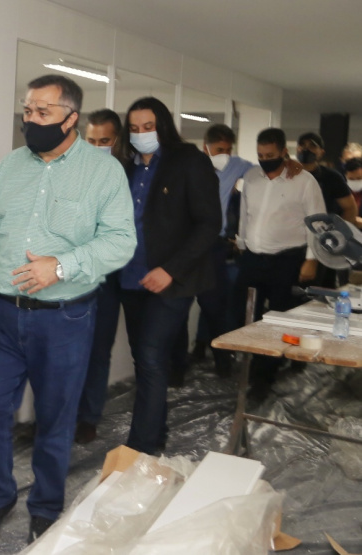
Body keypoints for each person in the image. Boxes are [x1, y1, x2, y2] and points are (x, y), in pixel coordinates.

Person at [0, 74, 135, 545]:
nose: (31, 120)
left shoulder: (104, 173)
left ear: (71, 118)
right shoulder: (10, 167)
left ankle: (45, 507)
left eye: (42, 113)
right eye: (27, 111)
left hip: (65, 318)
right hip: (2, 314)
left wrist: (60, 266)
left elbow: (121, 242)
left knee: (55, 418)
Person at [116, 97, 221, 455]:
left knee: (150, 356)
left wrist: (170, 270)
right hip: (130, 278)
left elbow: (210, 225)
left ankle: (141, 447)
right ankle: (155, 434)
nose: (141, 134)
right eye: (134, 128)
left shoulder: (190, 162)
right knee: (145, 360)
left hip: (172, 280)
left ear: (162, 127)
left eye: (148, 127)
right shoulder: (126, 169)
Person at [174, 124, 302, 380]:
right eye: (220, 149)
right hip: (184, 246)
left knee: (215, 306)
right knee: (178, 308)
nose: (225, 153)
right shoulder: (186, 166)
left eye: (229, 149)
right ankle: (176, 368)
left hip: (214, 246)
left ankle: (223, 363)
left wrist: (292, 163)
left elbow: (267, 170)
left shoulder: (238, 166)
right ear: (206, 147)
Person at [233, 127, 325, 402]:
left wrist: (311, 260)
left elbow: (317, 224)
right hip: (252, 257)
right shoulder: (251, 177)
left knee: (280, 319)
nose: (264, 159)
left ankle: (265, 378)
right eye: (260, 155)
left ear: (284, 152)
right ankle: (252, 366)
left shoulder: (304, 182)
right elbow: (244, 215)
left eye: (270, 155)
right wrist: (241, 243)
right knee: (243, 314)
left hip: (287, 260)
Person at [75, 108, 124, 445]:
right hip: (71, 274)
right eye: (90, 140)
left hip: (108, 278)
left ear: (116, 141)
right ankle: (60, 414)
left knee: (97, 351)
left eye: (104, 141)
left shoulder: (127, 174)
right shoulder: (70, 170)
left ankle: (89, 417)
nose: (96, 146)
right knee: (67, 351)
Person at [296, 132, 358, 287]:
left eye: (312, 146)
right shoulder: (287, 174)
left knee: (319, 292)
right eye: (302, 145)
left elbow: (350, 208)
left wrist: (337, 235)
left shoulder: (331, 177)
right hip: (290, 245)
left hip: (321, 244)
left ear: (321, 152)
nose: (306, 149)